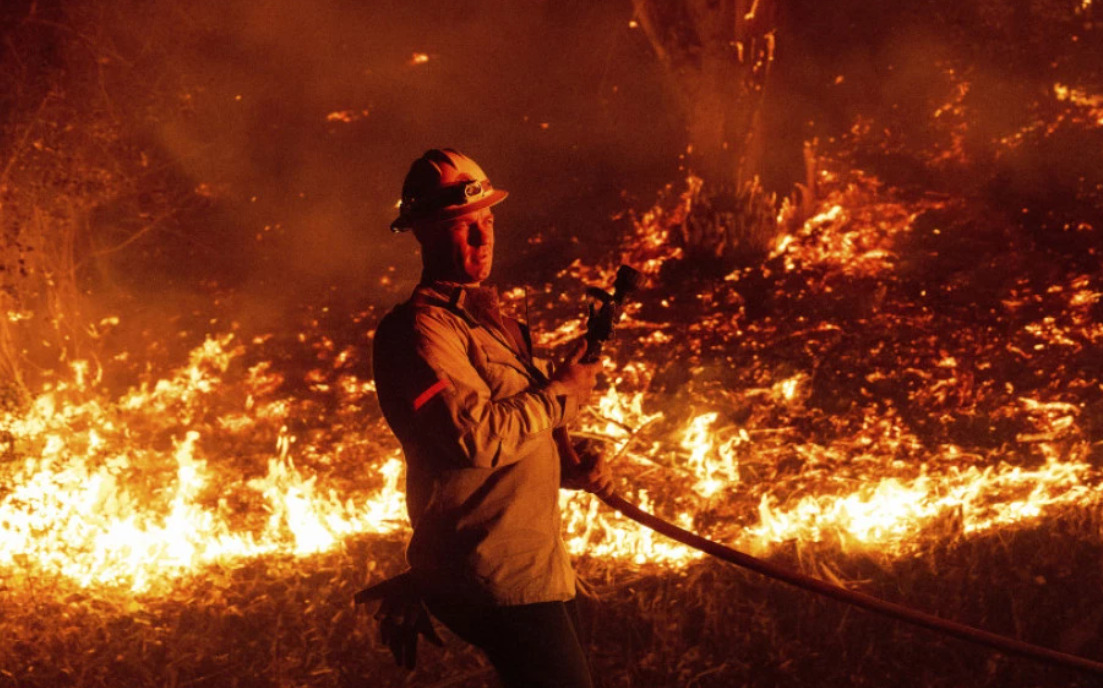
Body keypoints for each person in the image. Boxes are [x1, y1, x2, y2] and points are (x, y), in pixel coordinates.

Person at [369, 148, 613, 688]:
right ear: (425, 232)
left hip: (539, 566)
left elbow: (515, 431)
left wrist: (571, 463)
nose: (483, 238)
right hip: (494, 575)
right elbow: (475, 438)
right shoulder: (420, 333)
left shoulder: (486, 321)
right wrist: (559, 395)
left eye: (487, 221)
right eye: (463, 226)